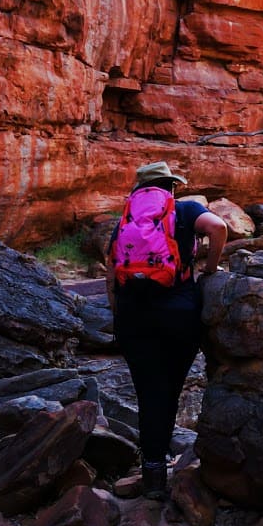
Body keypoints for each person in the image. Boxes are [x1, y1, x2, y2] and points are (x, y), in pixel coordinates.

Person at [105, 160, 227, 498]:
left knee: (148, 393)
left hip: (133, 317)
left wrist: (119, 315)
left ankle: (154, 472)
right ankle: (163, 467)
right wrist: (210, 270)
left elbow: (111, 267)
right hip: (178, 315)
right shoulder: (184, 210)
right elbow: (218, 228)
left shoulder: (126, 220)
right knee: (169, 390)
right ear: (170, 186)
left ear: (139, 189)